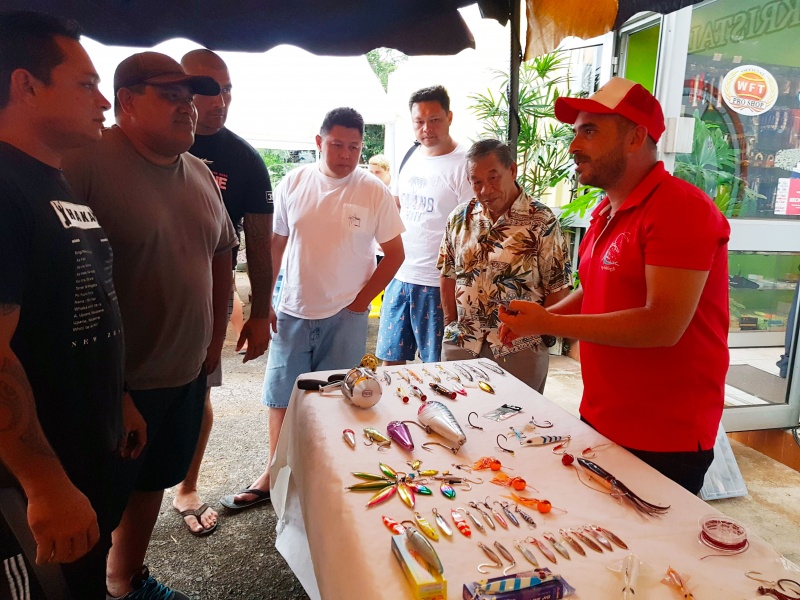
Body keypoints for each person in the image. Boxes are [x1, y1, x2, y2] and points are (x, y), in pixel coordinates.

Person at [498, 77, 730, 494]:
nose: (573, 146)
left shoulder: (681, 209)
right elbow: (595, 290)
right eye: (575, 132)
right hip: (603, 414)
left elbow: (662, 325)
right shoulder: (606, 211)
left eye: (589, 131)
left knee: (653, 554)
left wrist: (550, 323)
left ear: (635, 137)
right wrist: (542, 319)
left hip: (664, 434)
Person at [63, 52, 237, 599]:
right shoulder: (83, 164)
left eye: (192, 96)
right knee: (93, 503)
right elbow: (62, 293)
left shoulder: (200, 172)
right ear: (127, 101)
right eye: (171, 95)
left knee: (153, 482)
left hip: (183, 373)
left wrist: (213, 343)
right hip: (116, 387)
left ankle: (126, 580)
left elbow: (220, 254)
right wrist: (114, 392)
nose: (189, 107)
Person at [0, 10, 144, 599]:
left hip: (89, 452)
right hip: (33, 482)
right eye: (86, 84)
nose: (105, 101)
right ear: (25, 85)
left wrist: (120, 398)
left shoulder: (49, 179)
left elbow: (81, 305)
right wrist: (44, 483)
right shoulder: (5, 189)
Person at [221, 107, 404, 510]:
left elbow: (394, 254)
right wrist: (265, 299)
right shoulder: (294, 181)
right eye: (337, 144)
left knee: (339, 396)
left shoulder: (373, 190)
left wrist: (361, 301)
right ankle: (274, 473)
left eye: (354, 147)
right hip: (293, 307)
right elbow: (275, 244)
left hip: (346, 315)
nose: (346, 154)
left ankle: (328, 474)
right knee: (281, 396)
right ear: (319, 142)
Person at [168, 49, 274, 535]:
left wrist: (260, 314)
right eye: (208, 87)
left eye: (227, 88)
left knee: (198, 392)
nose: (220, 99)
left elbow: (259, 244)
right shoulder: (149, 146)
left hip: (210, 295)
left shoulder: (246, 161)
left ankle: (186, 485)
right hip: (139, 293)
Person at [438, 139, 572, 392]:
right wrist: (450, 324)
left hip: (518, 348)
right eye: (476, 181)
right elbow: (447, 273)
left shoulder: (541, 221)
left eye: (493, 178)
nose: (485, 190)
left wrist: (542, 338)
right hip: (462, 343)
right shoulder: (459, 218)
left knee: (516, 425)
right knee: (461, 418)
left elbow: (558, 286)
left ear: (512, 170)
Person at [376, 85, 472, 365]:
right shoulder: (409, 156)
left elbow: (471, 229)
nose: (426, 128)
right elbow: (397, 207)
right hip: (400, 275)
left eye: (435, 120)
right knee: (389, 362)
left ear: (450, 117)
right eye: (419, 121)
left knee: (438, 366)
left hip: (438, 283)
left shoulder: (464, 164)